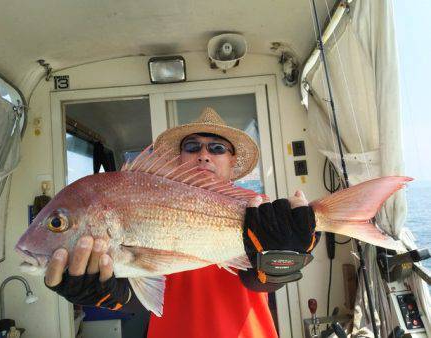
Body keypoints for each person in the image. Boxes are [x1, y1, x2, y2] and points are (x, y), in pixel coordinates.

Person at [44, 107, 318, 338]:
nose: (203, 154)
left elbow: (257, 282)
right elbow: (135, 288)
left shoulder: (256, 208)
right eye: (192, 146)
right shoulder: (146, 198)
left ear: (232, 160)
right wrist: (106, 290)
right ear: (180, 157)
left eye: (217, 147)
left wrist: (274, 267)